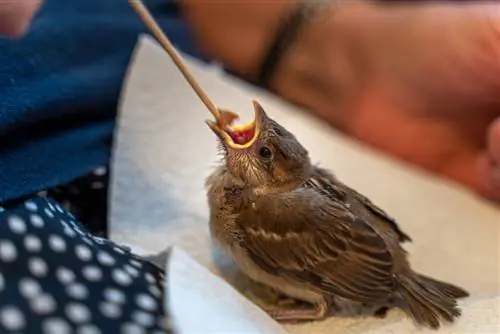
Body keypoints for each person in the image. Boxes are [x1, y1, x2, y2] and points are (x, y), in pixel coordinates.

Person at [0, 0, 499, 333]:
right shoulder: (257, 208)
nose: (251, 147)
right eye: (262, 150)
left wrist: (331, 52)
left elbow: (343, 262)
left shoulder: (258, 212)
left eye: (263, 152)